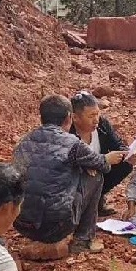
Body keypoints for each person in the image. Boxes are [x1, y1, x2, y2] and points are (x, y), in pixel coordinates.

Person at [14, 94, 125, 254]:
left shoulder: (24, 142)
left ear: (42, 117)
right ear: (69, 117)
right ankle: (83, 240)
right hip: (58, 226)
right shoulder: (72, 143)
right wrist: (106, 159)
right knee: (96, 176)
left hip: (22, 224)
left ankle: (39, 235)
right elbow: (103, 165)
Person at [69, 90, 135, 216]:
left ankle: (98, 198)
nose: (96, 120)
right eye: (91, 116)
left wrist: (126, 152)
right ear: (75, 118)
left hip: (99, 171)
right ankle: (79, 207)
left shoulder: (102, 125)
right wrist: (88, 164)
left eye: (97, 114)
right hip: (77, 177)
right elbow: (65, 162)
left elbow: (117, 143)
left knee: (125, 164)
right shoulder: (68, 133)